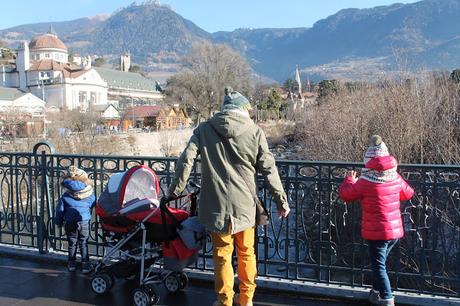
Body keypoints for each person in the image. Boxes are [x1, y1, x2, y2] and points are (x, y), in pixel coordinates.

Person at [168, 87, 290, 306]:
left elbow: (186, 160)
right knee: (246, 253)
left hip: (215, 205)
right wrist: (281, 200)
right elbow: (269, 168)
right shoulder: (254, 132)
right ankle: (247, 300)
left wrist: (175, 192)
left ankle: (224, 301)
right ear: (243, 109)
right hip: (244, 204)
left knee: (222, 254)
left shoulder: (204, 129)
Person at [339, 135, 414, 306]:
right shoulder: (394, 177)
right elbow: (408, 193)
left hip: (377, 233)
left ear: (368, 160)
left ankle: (387, 299)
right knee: (379, 264)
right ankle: (375, 293)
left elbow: (346, 194)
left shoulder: (366, 181)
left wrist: (349, 179)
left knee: (379, 267)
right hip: (394, 233)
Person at [55, 166, 96, 274]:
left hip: (70, 222)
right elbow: (93, 204)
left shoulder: (65, 196)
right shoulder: (89, 194)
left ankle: (71, 264)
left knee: (72, 243)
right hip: (84, 221)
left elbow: (60, 210)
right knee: (83, 243)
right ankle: (86, 265)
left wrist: (58, 222)